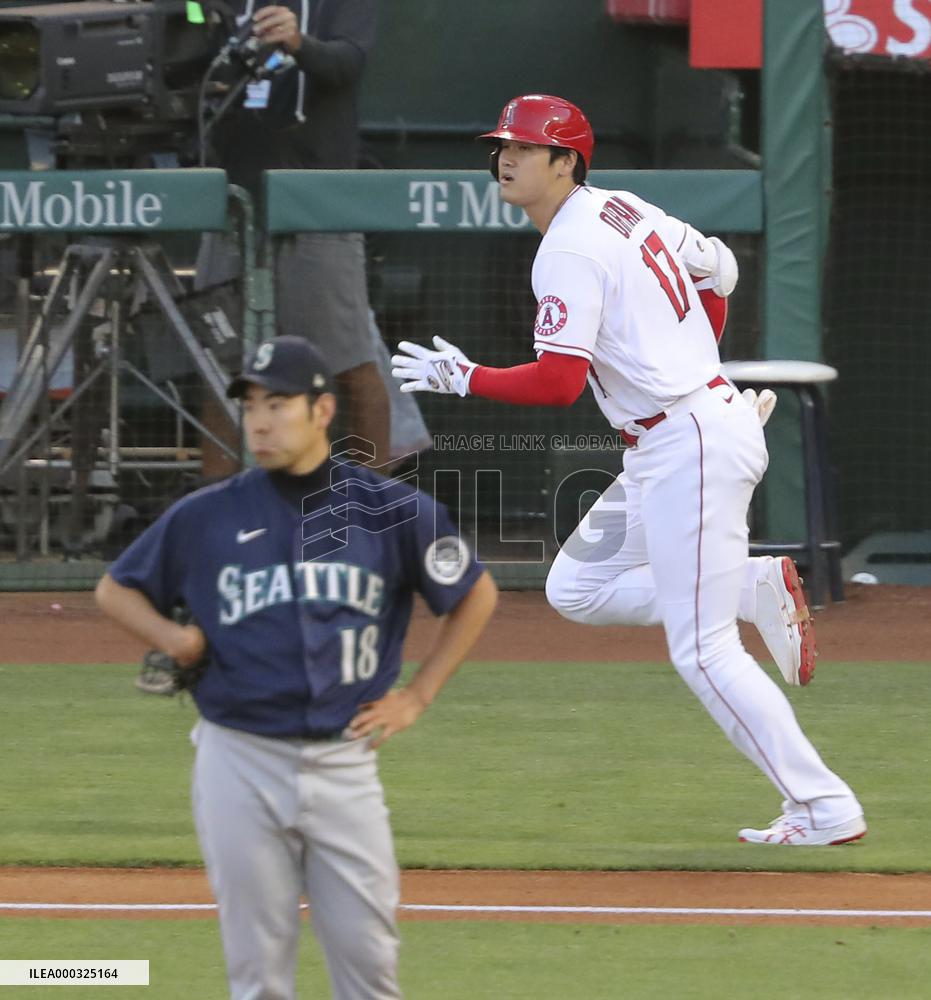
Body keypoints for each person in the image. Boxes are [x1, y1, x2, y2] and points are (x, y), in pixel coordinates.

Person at [392, 94, 866, 847]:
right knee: (576, 587)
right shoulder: (621, 208)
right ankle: (749, 582)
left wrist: (466, 375)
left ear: (565, 161)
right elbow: (721, 269)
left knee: (702, 649)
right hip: (677, 436)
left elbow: (555, 383)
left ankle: (822, 805)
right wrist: (696, 363)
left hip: (691, 440)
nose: (504, 159)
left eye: (522, 147)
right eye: (500, 146)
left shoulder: (569, 248)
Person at [96, 335, 498, 998]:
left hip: (344, 761)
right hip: (238, 758)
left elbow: (473, 591)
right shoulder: (206, 515)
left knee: (369, 963)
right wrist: (178, 640)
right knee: (257, 971)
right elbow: (115, 589)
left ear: (322, 411)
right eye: (251, 403)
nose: (258, 419)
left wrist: (418, 696)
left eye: (277, 403)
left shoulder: (390, 511)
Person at [198, 0, 391, 477]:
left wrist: (299, 44)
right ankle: (220, 519)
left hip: (317, 204)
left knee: (350, 365)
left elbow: (347, 63)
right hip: (229, 201)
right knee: (217, 370)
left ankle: (375, 518)